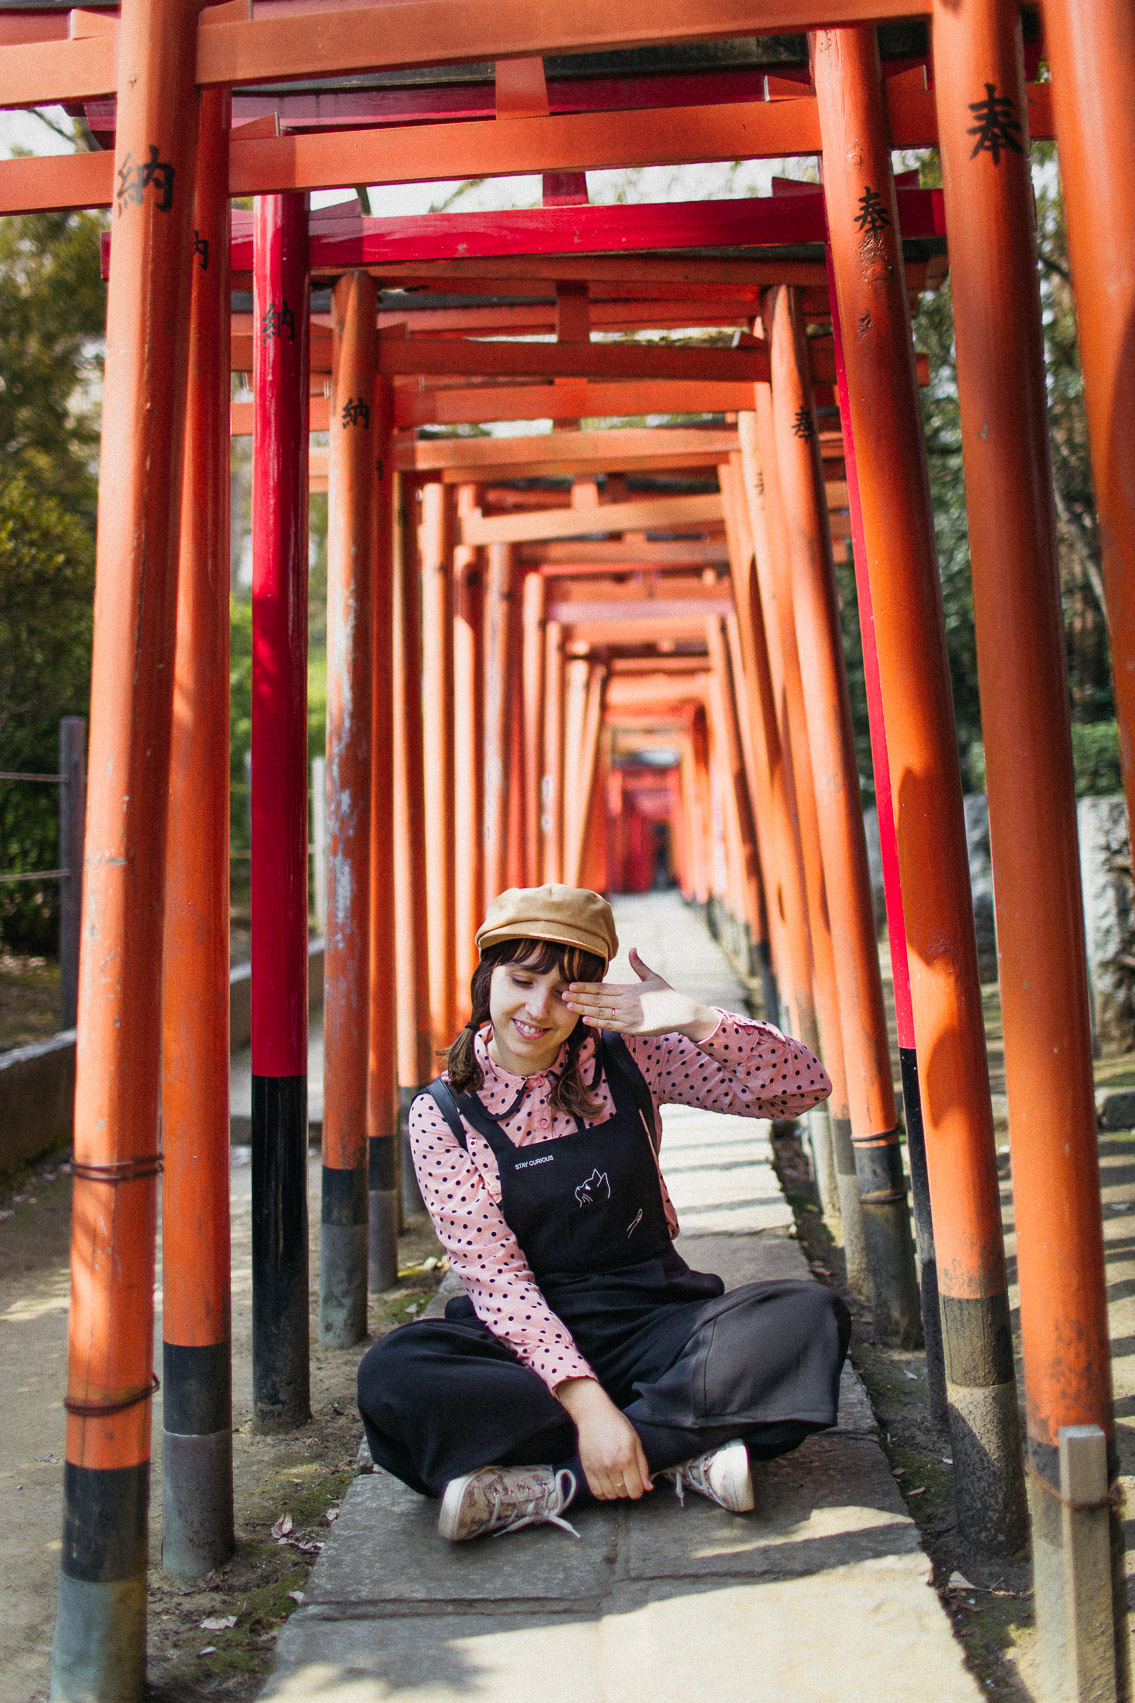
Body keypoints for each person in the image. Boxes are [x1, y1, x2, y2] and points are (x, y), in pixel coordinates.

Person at [357, 884, 848, 1543]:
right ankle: (681, 1449)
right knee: (395, 1375)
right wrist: (589, 1409)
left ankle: (549, 1482)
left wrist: (695, 1017)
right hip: (519, 1347)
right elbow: (498, 1286)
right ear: (486, 978)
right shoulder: (442, 1114)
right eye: (522, 979)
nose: (537, 1009)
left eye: (564, 990)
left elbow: (798, 1087)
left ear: (591, 995)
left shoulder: (628, 1058)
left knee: (805, 1317)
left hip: (651, 1320)